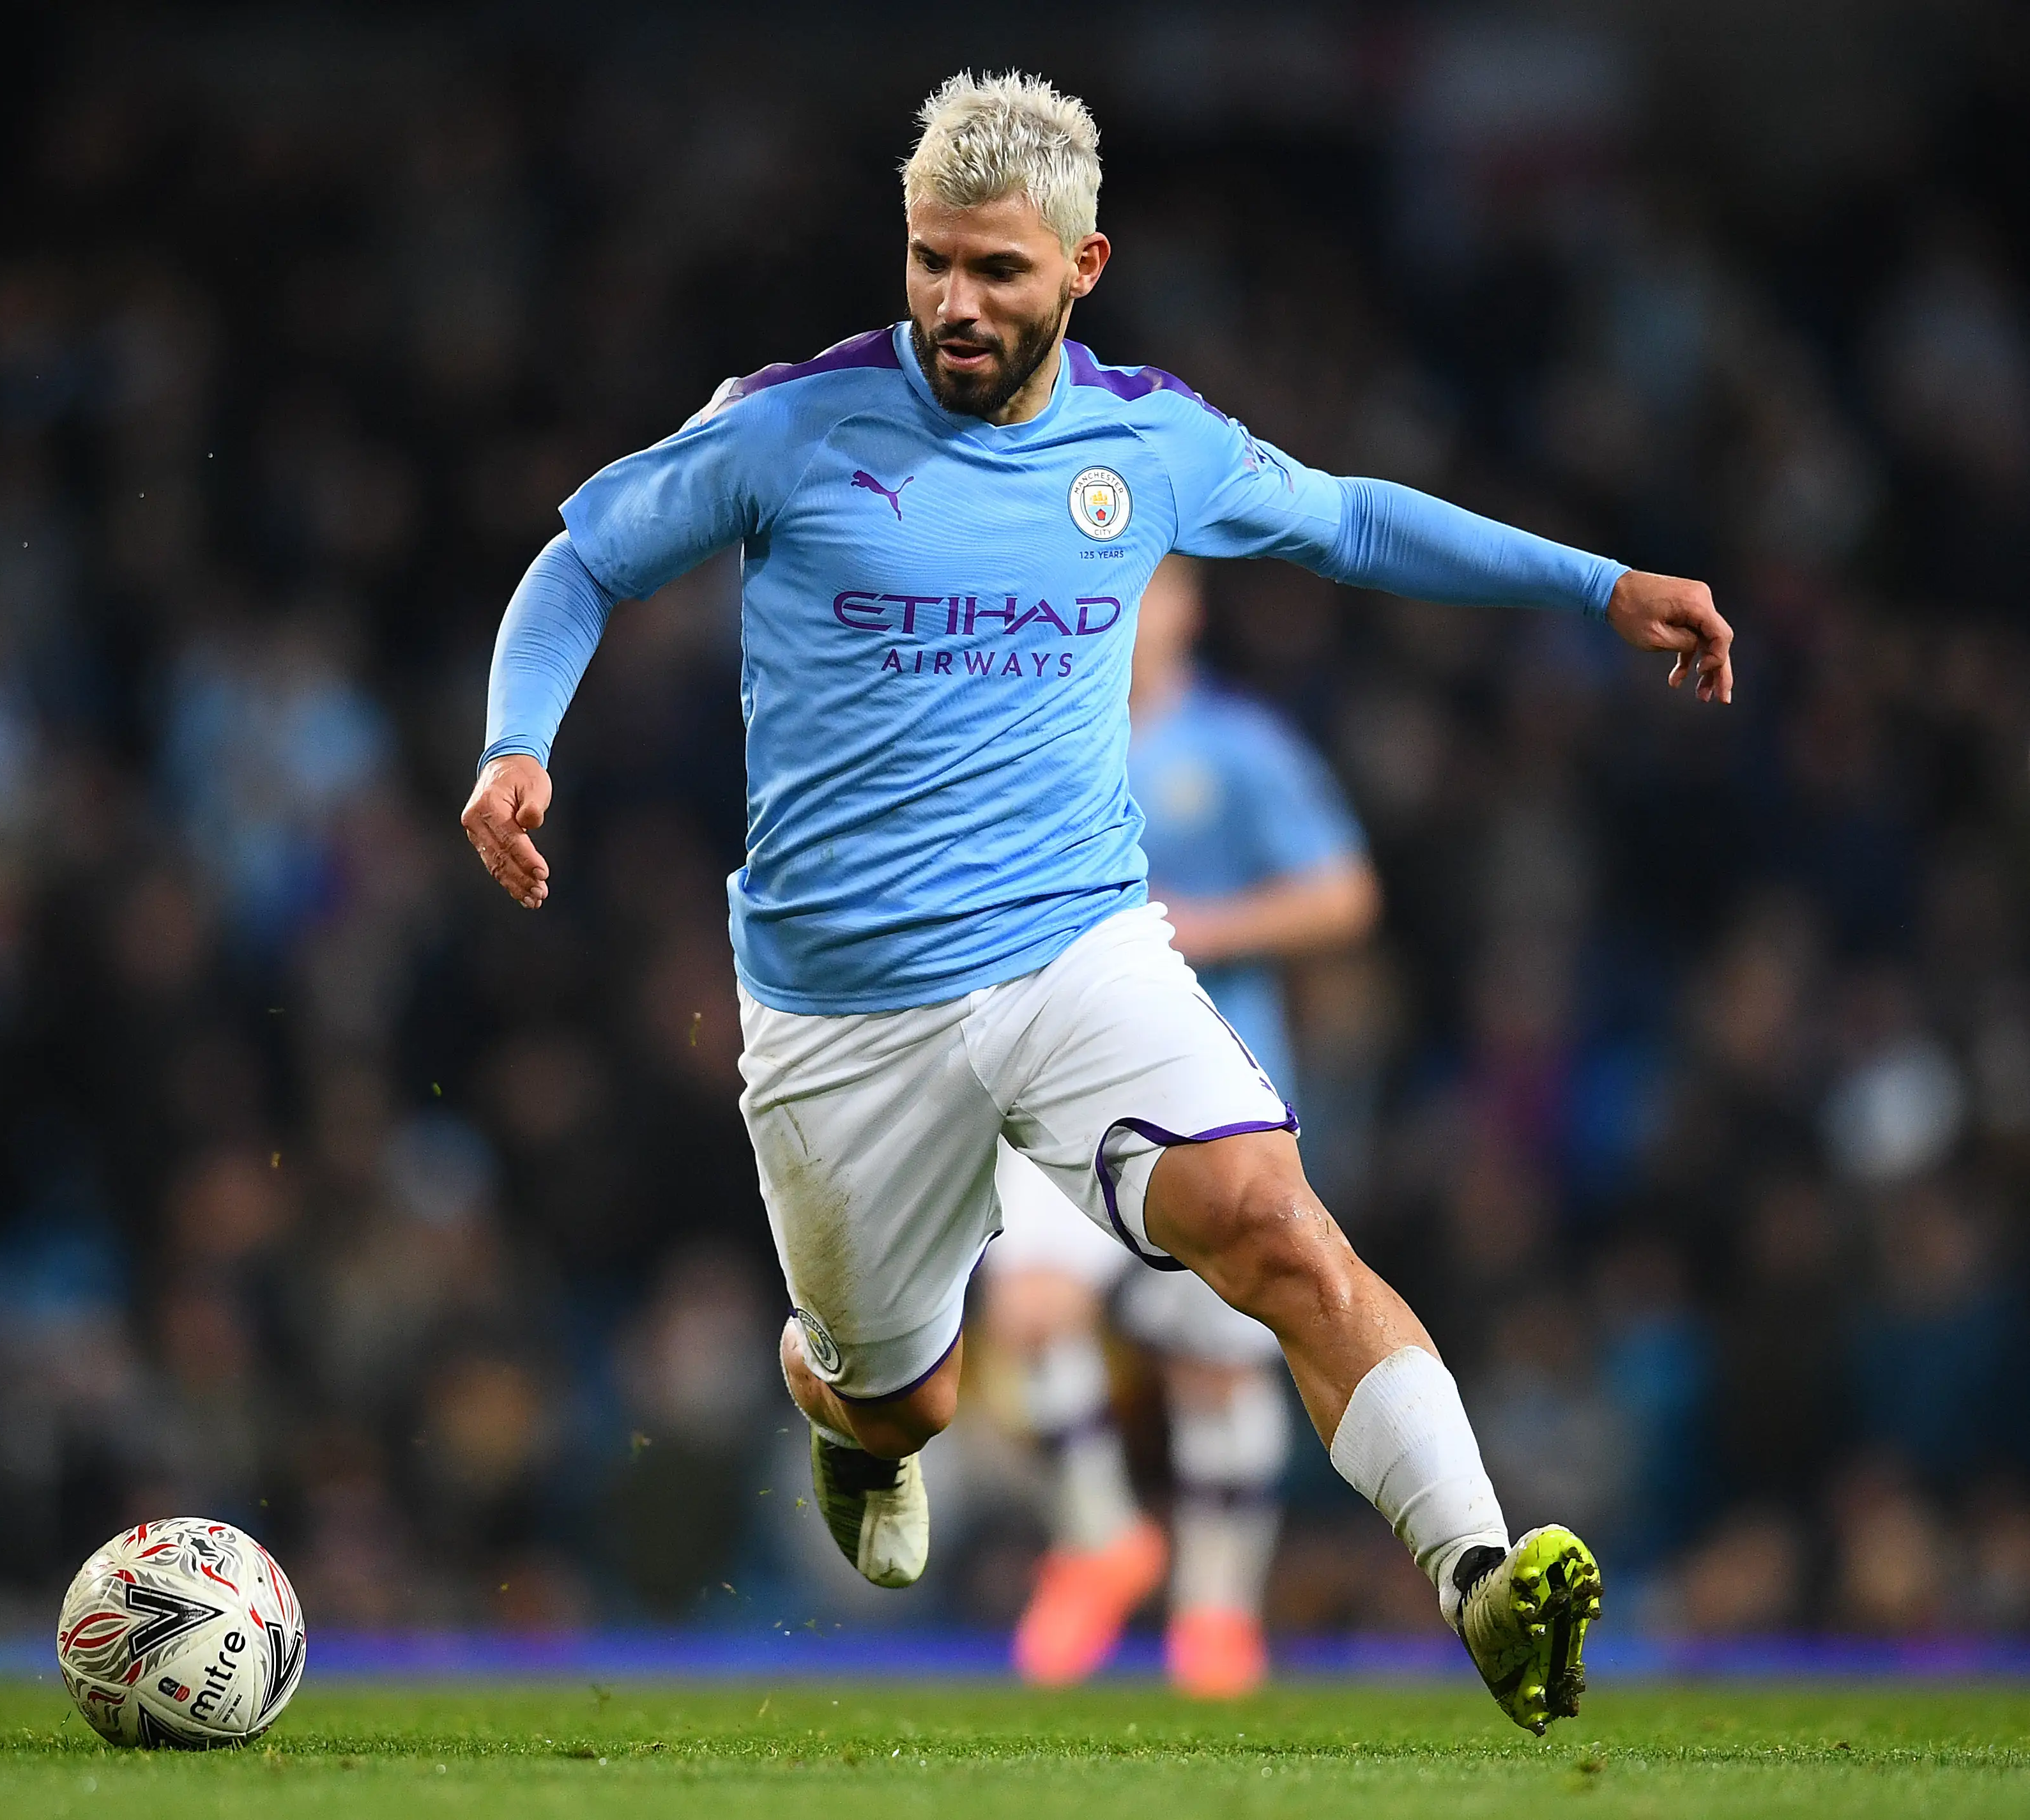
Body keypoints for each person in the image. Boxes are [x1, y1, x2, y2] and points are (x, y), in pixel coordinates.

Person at [462, 72, 1734, 1734]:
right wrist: (512, 747)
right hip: (843, 1012)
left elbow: (1348, 521)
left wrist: (1598, 585)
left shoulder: (1152, 440)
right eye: (928, 261)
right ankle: (847, 1415)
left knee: (1276, 1229)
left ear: (1084, 265)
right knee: (901, 1398)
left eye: (995, 270)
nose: (952, 304)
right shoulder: (788, 424)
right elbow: (580, 565)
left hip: (1076, 952)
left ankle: (1480, 1579)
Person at [985, 552, 1376, 1697]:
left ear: (1187, 609)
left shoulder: (1239, 748)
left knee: (1214, 1368)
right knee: (1030, 1305)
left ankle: (1214, 1617)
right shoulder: (1038, 732)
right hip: (1059, 1080)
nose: (1126, 613)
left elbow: (1344, 893)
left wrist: (1211, 922)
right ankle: (1101, 1537)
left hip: (1210, 1091)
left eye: (1150, 590)